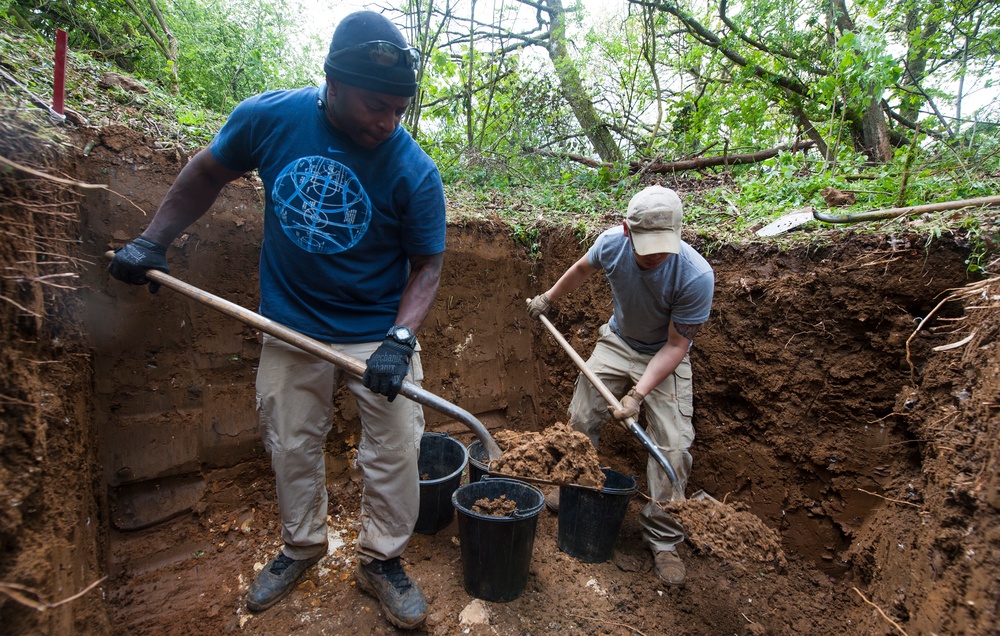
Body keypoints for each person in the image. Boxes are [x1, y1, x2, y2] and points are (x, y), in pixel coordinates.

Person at [108, 11, 443, 630]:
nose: (387, 122)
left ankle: (381, 560)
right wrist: (153, 241)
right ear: (332, 84)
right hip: (291, 323)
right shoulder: (269, 118)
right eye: (376, 105)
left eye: (399, 108)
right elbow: (207, 171)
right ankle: (302, 547)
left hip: (376, 330)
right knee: (291, 442)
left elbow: (426, 267)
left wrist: (400, 339)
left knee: (396, 449)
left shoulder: (414, 170)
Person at [526, 185, 714, 587]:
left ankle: (663, 538)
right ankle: (575, 485)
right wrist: (548, 297)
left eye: (665, 245)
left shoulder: (695, 276)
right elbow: (581, 268)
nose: (656, 255)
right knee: (580, 416)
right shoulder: (612, 244)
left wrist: (637, 394)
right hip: (618, 341)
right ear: (627, 231)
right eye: (647, 245)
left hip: (663, 354)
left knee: (674, 447)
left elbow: (677, 344)